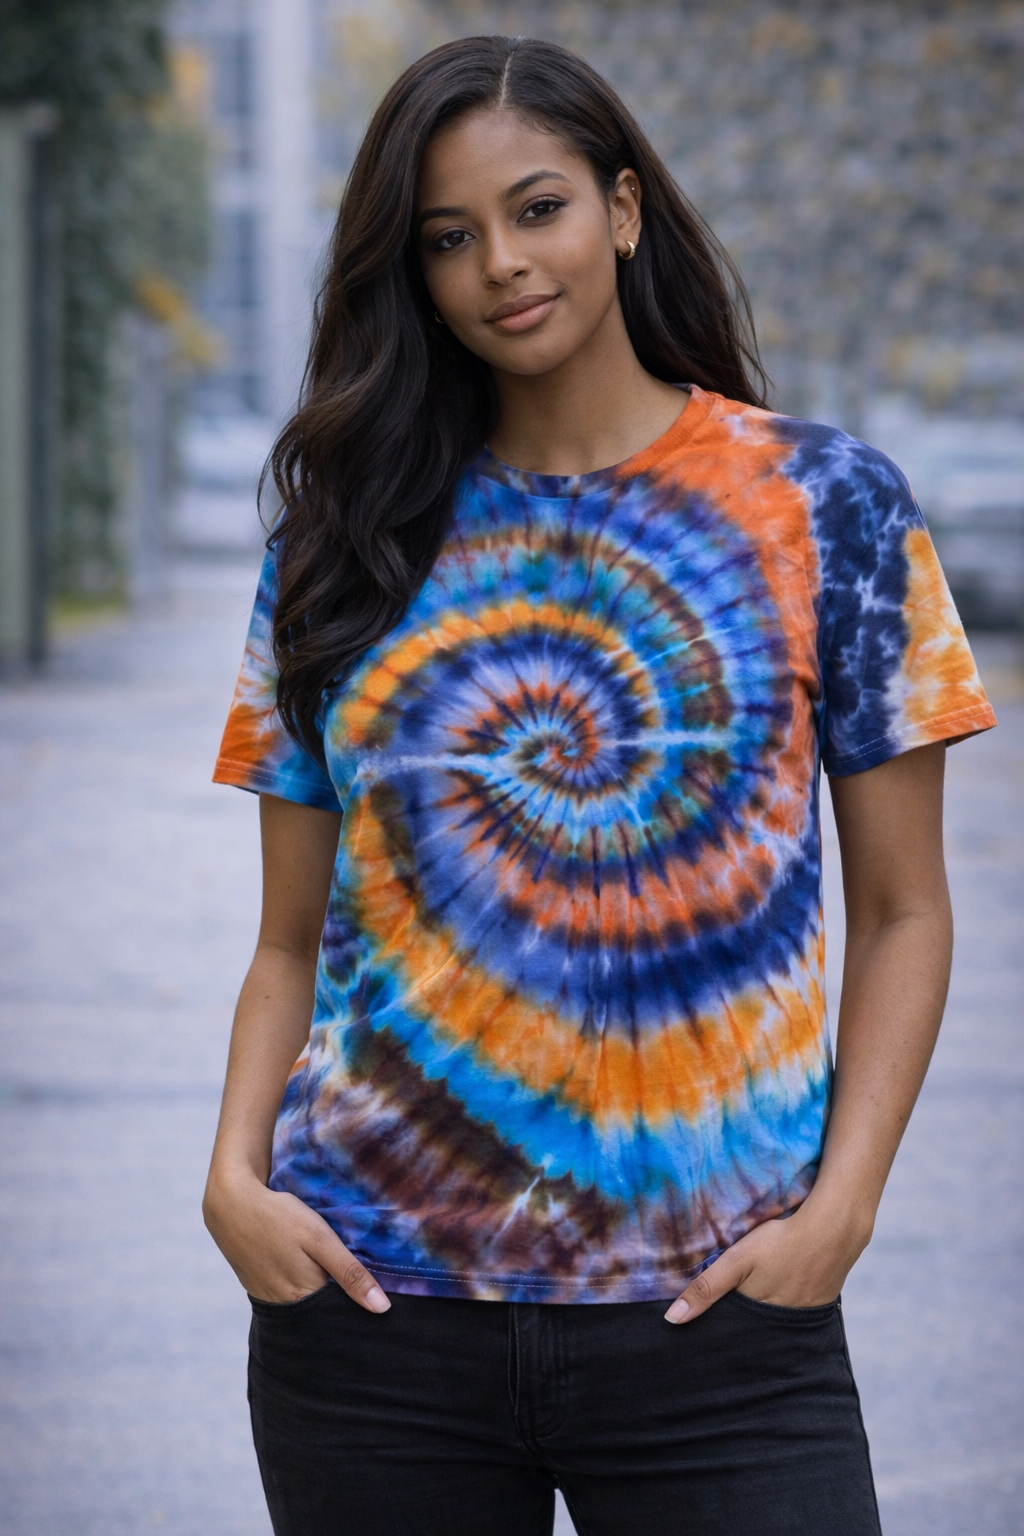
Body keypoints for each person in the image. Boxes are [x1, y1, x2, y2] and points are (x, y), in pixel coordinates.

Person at [203, 34, 995, 1536]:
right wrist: (235, 1180)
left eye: (538, 207)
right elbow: (290, 943)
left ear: (624, 209)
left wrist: (842, 1213)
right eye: (449, 238)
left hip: (723, 1325)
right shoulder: (342, 544)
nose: (502, 263)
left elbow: (906, 910)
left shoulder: (827, 505)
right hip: (372, 1321)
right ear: (414, 273)